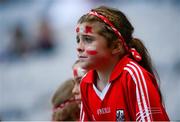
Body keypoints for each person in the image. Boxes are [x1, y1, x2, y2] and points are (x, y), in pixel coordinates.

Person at [75, 6, 169, 121]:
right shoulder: (85, 83)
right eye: (78, 40)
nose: (79, 47)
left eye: (88, 39)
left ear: (116, 46)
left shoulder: (133, 76)